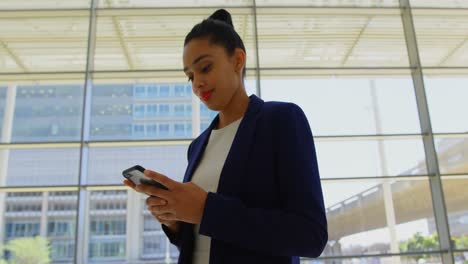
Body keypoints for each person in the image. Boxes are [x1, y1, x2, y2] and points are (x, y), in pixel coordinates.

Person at [124, 9, 328, 264]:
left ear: (237, 60)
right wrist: (177, 222)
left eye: (205, 68)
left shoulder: (281, 119)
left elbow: (310, 235)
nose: (197, 83)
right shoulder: (197, 146)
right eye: (190, 76)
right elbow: (205, 239)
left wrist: (206, 209)